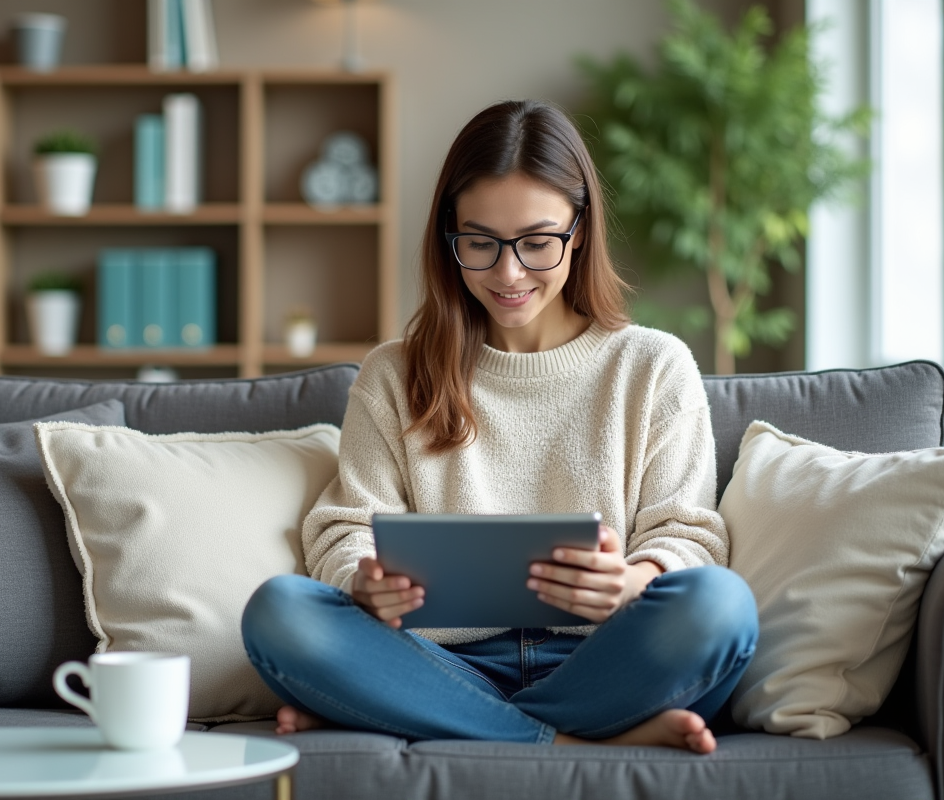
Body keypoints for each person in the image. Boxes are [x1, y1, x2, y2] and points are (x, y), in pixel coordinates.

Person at [241, 99, 758, 753]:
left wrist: (633, 580)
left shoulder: (652, 365)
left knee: (721, 605)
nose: (508, 273)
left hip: (606, 660)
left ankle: (420, 716)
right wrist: (365, 584)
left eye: (538, 243)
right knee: (280, 613)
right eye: (479, 243)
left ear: (581, 230)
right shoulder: (394, 372)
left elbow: (689, 535)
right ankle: (567, 741)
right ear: (448, 236)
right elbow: (345, 530)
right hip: (436, 661)